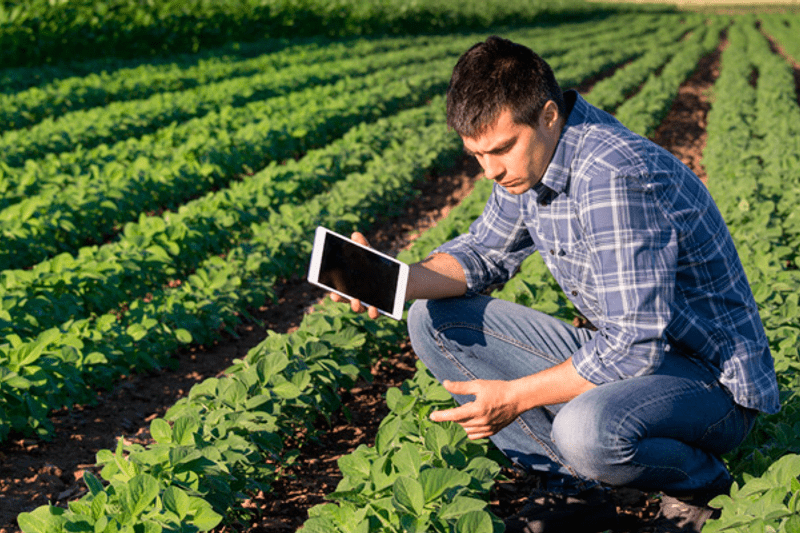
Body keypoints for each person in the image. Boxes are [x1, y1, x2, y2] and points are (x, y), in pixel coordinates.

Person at [331, 36, 780, 533]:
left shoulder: (611, 175)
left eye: (502, 148)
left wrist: (516, 396)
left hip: (710, 385)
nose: (491, 170)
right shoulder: (531, 163)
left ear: (547, 115)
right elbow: (484, 252)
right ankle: (573, 488)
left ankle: (698, 486)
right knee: (435, 320)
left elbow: (633, 349)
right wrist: (392, 279)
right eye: (476, 154)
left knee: (585, 430)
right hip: (639, 361)